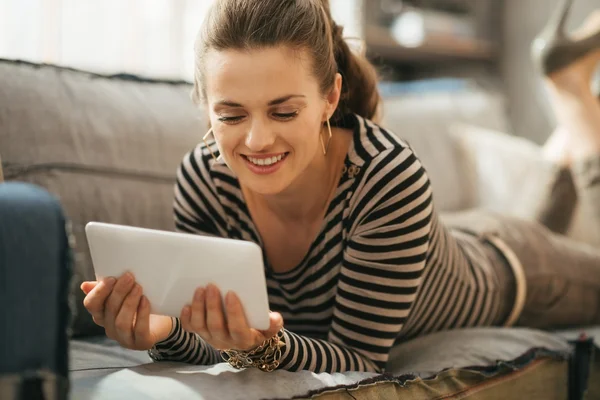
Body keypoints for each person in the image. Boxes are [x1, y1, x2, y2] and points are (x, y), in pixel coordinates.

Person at [81, 0, 600, 373]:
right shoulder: (204, 179)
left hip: (511, 270)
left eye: (284, 111)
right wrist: (162, 334)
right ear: (203, 103)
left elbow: (358, 360)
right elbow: (222, 341)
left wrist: (267, 347)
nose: (257, 140)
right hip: (431, 243)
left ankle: (577, 109)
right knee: (539, 208)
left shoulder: (388, 179)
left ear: (330, 98)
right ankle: (569, 130)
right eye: (231, 114)